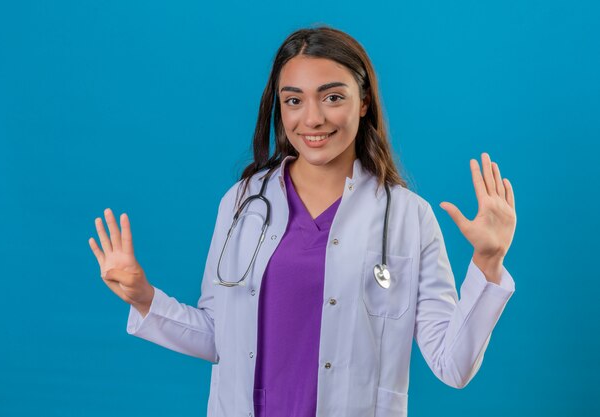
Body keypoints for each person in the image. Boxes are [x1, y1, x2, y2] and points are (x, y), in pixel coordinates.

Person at [88, 26, 516, 417]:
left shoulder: (408, 218)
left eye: (332, 97)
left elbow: (452, 365)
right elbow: (221, 337)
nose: (312, 119)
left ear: (363, 102)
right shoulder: (242, 203)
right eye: (294, 100)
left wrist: (488, 263)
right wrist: (145, 299)